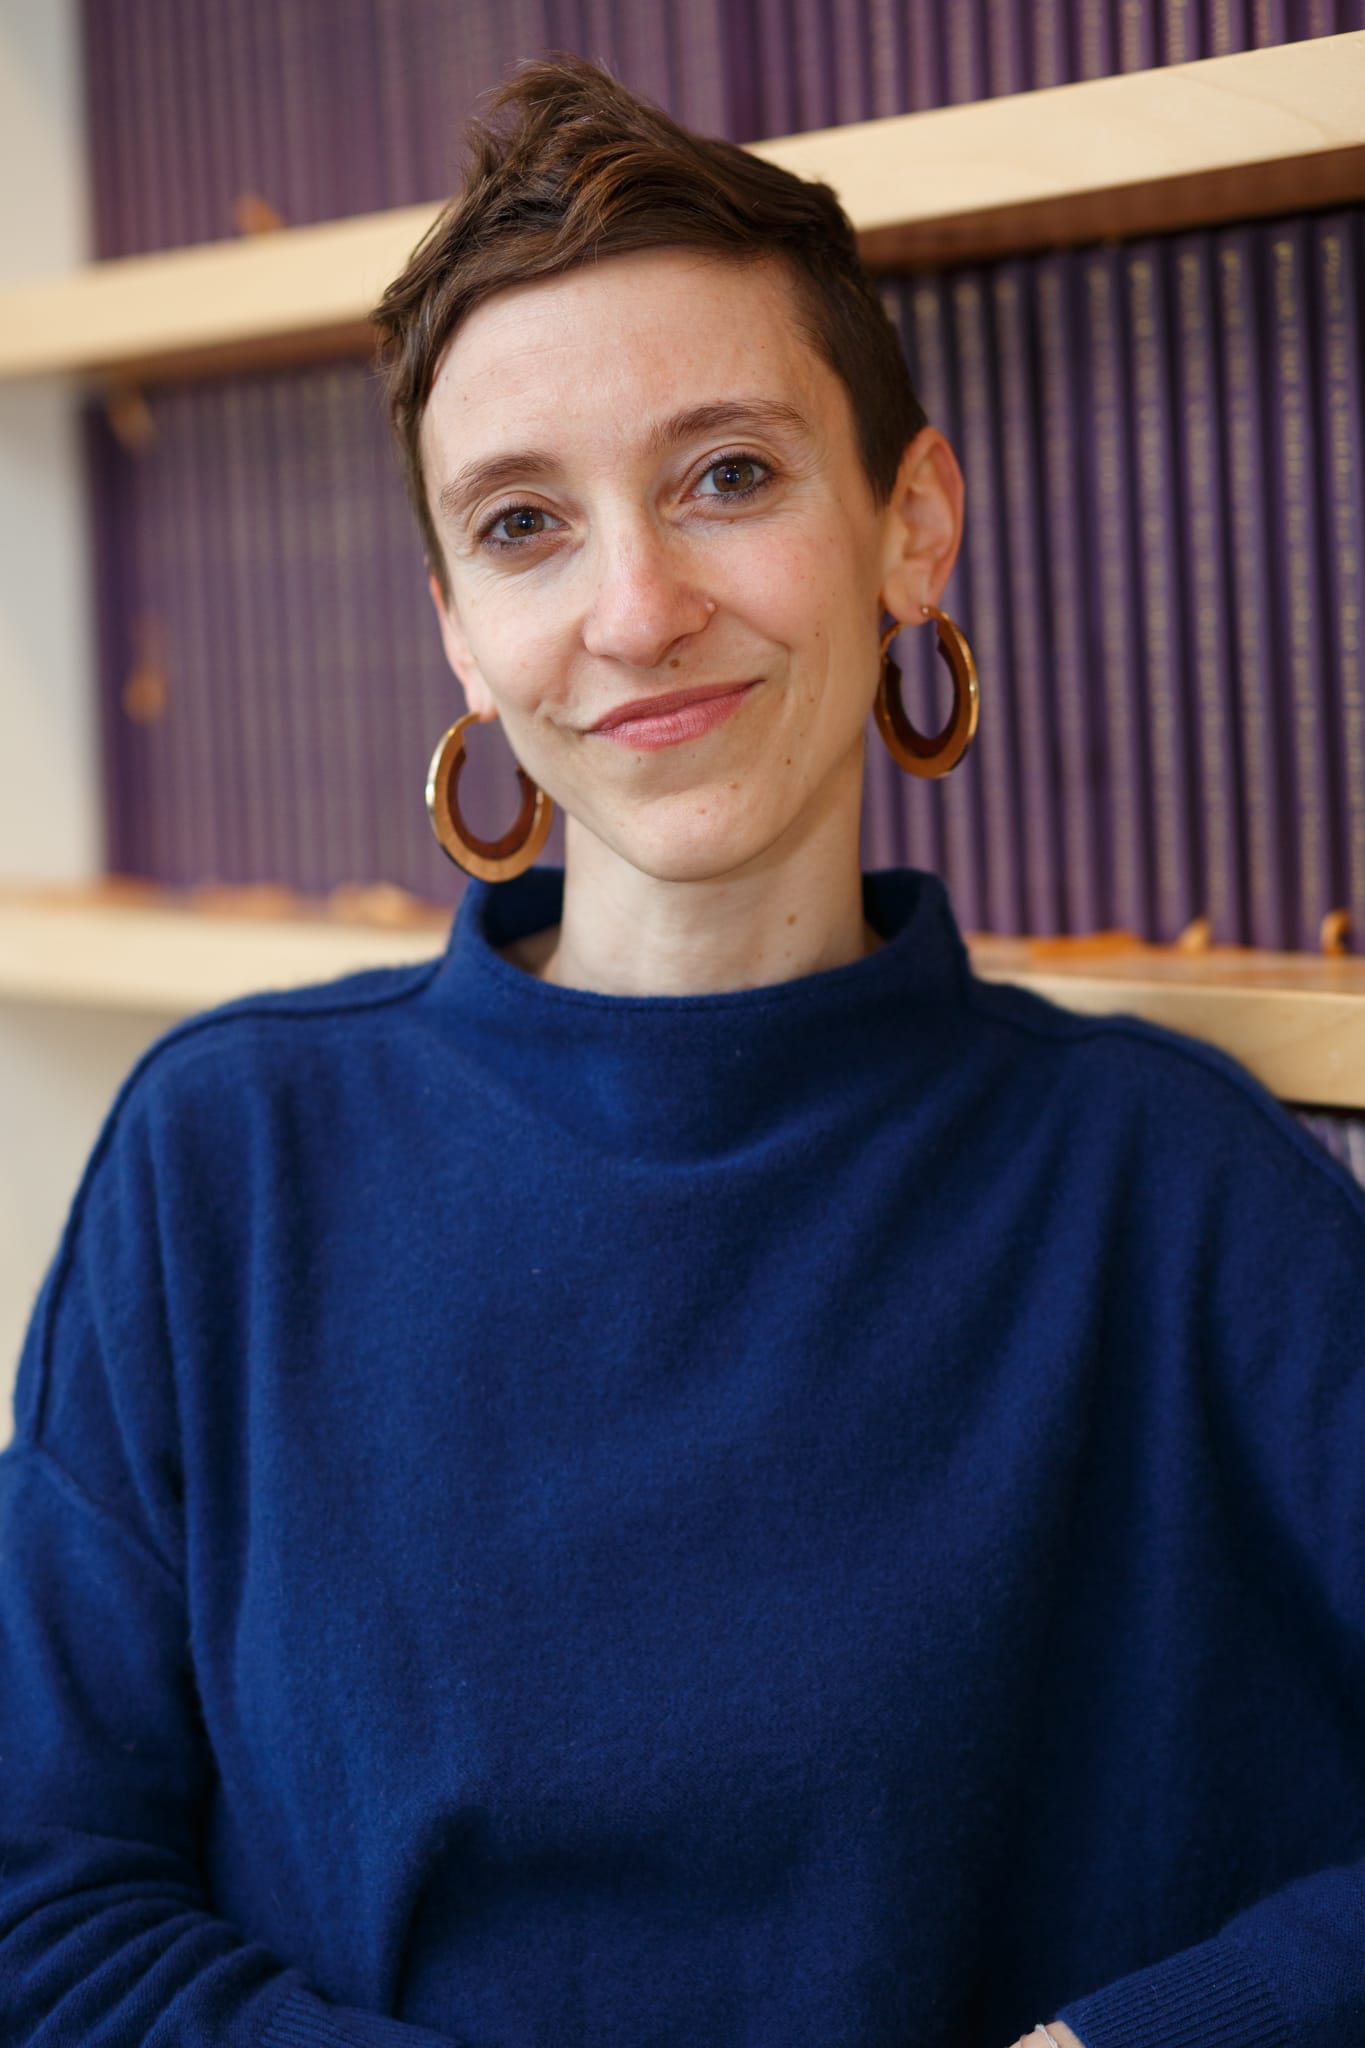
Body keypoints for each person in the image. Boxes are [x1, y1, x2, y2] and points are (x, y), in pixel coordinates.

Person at [2, 50, 1363, 2048]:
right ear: (459, 628)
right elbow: (42, 1897)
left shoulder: (1172, 1185)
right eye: (525, 524)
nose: (633, 607)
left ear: (911, 524)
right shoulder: (226, 1161)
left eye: (726, 474)